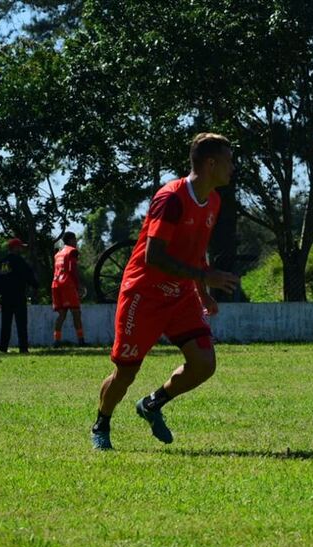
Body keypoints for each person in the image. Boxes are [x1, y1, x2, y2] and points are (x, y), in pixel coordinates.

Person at [91, 133, 241, 450]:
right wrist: (204, 276)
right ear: (211, 163)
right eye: (228, 160)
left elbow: (196, 252)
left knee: (204, 363)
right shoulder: (171, 198)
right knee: (126, 373)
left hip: (181, 295)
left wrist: (202, 292)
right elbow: (153, 256)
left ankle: (152, 404)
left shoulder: (213, 200)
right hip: (144, 295)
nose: (233, 167)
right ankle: (101, 424)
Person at [0, 237, 38, 354]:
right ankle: (23, 348)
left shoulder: (2, 262)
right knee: (21, 323)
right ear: (15, 248)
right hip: (18, 296)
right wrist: (36, 285)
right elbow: (28, 275)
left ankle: (3, 348)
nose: (21, 249)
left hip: (5, 297)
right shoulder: (19, 261)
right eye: (20, 247)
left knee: (5, 323)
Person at [51, 231, 85, 346]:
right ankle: (81, 340)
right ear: (71, 240)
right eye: (75, 239)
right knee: (76, 312)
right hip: (67, 284)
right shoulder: (72, 251)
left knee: (62, 314)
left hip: (56, 284)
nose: (76, 242)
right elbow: (72, 269)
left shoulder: (58, 254)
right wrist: (78, 285)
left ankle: (56, 340)